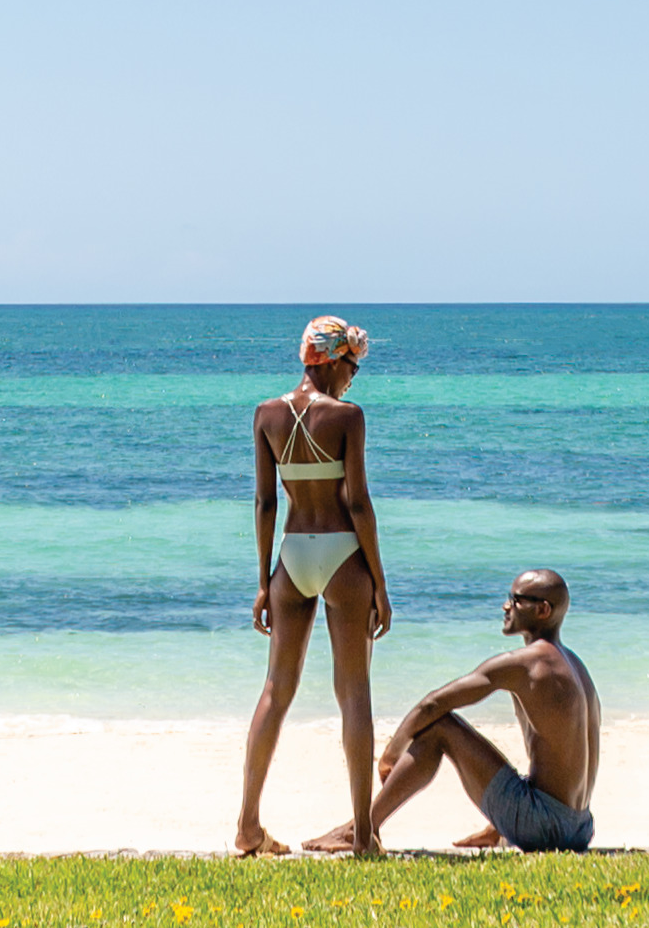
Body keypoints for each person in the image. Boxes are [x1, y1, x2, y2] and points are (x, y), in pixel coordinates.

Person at [236, 314, 392, 858]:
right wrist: (379, 582)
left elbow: (264, 504)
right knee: (354, 692)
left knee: (276, 691)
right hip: (343, 553)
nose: (354, 378)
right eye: (353, 366)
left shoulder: (266, 414)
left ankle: (247, 827)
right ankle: (364, 835)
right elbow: (357, 502)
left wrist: (263, 582)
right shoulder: (347, 416)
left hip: (291, 555)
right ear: (334, 361)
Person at [308, 569, 599, 857]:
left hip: (545, 826)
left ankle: (359, 829)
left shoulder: (527, 663)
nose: (506, 605)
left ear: (543, 610)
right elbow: (559, 762)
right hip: (580, 827)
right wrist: (500, 824)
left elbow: (434, 704)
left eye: (516, 599)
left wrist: (391, 754)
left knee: (442, 726)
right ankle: (499, 828)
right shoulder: (574, 665)